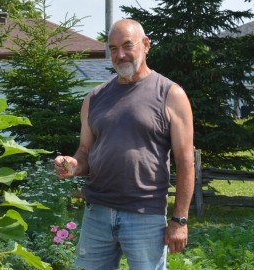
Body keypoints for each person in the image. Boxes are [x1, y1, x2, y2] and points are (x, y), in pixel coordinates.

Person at [54, 19, 194, 270]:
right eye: (113, 48)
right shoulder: (95, 97)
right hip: (97, 212)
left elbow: (185, 162)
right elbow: (85, 151)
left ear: (146, 45)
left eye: (127, 46)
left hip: (145, 215)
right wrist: (73, 165)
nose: (120, 55)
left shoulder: (170, 94)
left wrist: (179, 220)